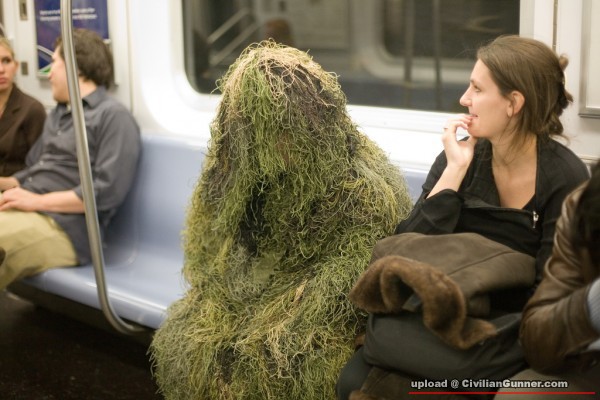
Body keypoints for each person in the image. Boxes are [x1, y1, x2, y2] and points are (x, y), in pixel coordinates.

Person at [150, 41, 414, 400]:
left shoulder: (363, 192)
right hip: (263, 287)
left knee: (277, 365)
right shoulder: (247, 169)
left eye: (285, 131)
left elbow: (341, 289)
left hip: (311, 310)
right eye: (262, 132)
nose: (273, 144)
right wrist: (228, 301)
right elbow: (218, 243)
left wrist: (264, 321)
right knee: (187, 341)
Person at [337, 35, 590, 400]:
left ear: (513, 103)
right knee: (352, 379)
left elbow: (551, 295)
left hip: (507, 335)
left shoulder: (564, 178)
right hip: (444, 316)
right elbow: (404, 253)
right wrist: (454, 171)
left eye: (476, 88)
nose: (464, 99)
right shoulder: (461, 158)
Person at [0, 29, 140, 290]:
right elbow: (35, 169)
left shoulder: (112, 117)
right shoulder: (58, 115)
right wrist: (10, 186)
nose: (49, 73)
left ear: (76, 69)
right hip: (28, 207)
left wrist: (35, 201)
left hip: (65, 227)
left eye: (54, 63)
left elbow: (106, 192)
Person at [496, 160, 600, 398]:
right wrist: (591, 304)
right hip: (591, 361)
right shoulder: (584, 204)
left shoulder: (561, 171)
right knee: (519, 393)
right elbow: (536, 346)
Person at [0, 36, 46, 176]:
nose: (1, 69)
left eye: (6, 61)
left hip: (19, 190)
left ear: (16, 66)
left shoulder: (32, 109)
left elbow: (41, 167)